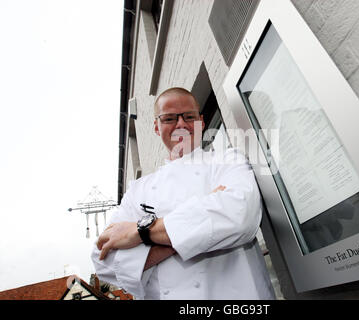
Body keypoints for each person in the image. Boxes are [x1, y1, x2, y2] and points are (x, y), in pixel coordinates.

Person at [91, 87, 275, 300]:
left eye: (189, 116)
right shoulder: (137, 190)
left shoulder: (228, 161)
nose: (181, 124)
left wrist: (141, 232)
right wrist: (201, 224)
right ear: (157, 127)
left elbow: (240, 216)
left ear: (202, 122)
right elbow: (103, 260)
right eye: (169, 118)